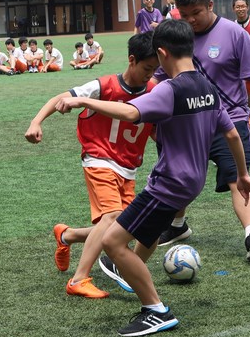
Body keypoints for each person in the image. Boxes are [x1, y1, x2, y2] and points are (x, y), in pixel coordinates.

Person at [55, 20, 250, 336]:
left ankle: (155, 309)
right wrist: (243, 174)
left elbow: (130, 113)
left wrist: (82, 100)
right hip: (192, 183)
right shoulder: (208, 87)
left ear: (162, 53)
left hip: (170, 183)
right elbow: (232, 134)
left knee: (112, 241)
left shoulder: (170, 90)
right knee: (146, 234)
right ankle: (133, 273)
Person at [24, 32, 159, 298]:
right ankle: (79, 279)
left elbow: (155, 128)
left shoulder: (155, 91)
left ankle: (68, 236)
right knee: (110, 216)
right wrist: (35, 122)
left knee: (125, 227)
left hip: (128, 167)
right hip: (98, 158)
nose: (150, 74)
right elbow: (59, 98)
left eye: (155, 69)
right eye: (147, 68)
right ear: (132, 60)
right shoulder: (104, 85)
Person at [154, 0, 250, 261]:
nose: (189, 20)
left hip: (230, 120)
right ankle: (177, 226)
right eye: (183, 15)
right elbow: (158, 77)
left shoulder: (234, 33)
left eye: (195, 12)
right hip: (187, 123)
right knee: (178, 178)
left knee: (237, 178)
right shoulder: (177, 37)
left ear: (210, 5)